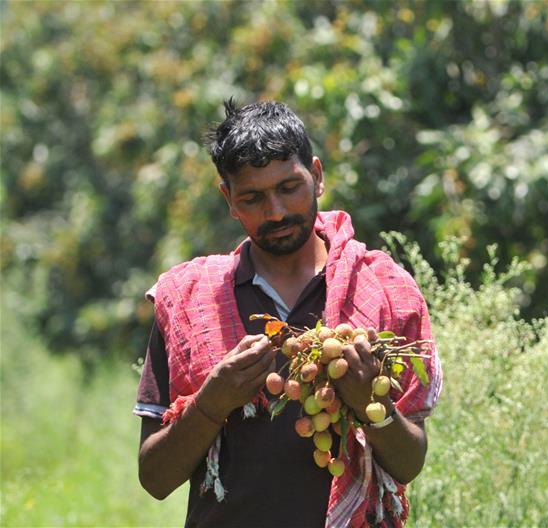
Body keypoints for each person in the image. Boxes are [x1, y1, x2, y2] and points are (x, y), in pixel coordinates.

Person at [134, 99, 443, 527]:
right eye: (253, 197)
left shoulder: (384, 291)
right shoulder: (188, 302)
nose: (275, 212)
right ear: (229, 199)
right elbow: (154, 478)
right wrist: (211, 403)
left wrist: (369, 401)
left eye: (288, 187)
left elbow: (409, 463)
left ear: (316, 176)